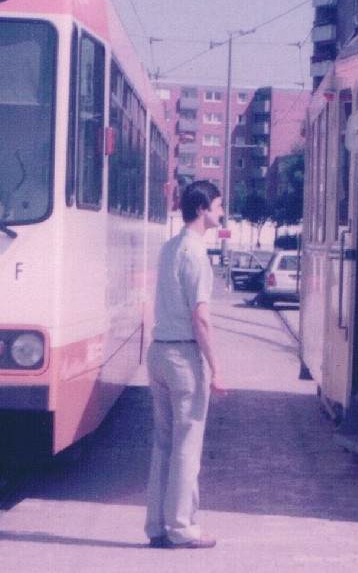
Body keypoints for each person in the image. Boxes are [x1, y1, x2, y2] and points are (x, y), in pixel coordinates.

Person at [144, 179, 228, 549]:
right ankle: (182, 528)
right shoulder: (196, 254)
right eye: (219, 206)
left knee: (164, 443)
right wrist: (217, 369)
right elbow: (201, 319)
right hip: (183, 358)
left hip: (159, 352)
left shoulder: (169, 248)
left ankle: (158, 527)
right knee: (187, 446)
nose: (223, 212)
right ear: (202, 210)